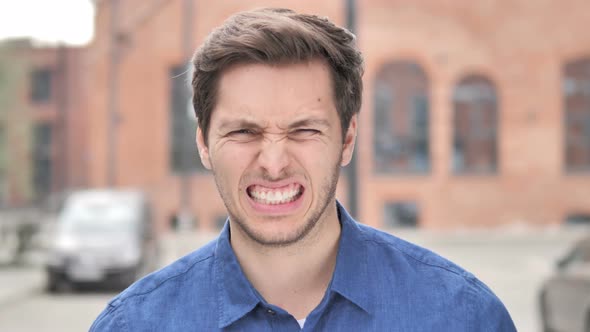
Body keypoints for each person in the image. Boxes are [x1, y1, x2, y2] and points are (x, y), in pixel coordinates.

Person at [91, 8, 516, 331]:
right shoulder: (135, 324)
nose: (273, 163)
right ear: (204, 143)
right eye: (243, 131)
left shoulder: (461, 316)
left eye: (304, 130)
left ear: (347, 140)